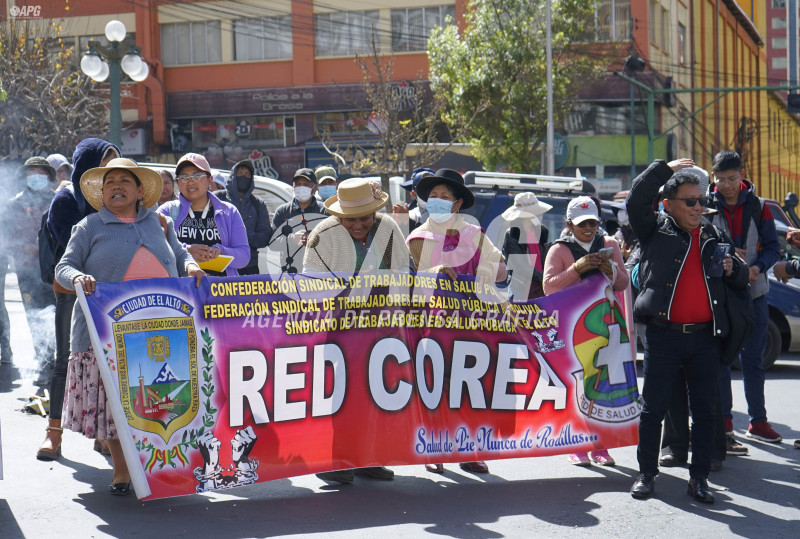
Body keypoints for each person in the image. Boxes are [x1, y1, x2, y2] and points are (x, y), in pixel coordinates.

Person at [56, 158, 204, 495]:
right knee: (116, 406)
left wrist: (192, 265)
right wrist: (78, 276)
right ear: (102, 193)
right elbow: (63, 267)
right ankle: (122, 470)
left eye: (125, 181)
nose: (117, 187)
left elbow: (181, 256)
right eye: (110, 183)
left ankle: (164, 468)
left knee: (160, 402)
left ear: (140, 191)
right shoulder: (89, 226)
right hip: (106, 333)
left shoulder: (159, 223)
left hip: (161, 332)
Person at [626, 158, 748, 504]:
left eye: (702, 201)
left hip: (705, 338)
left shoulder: (713, 232)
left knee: (706, 410)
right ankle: (647, 473)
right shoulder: (655, 230)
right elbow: (636, 200)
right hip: (664, 336)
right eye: (690, 201)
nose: (699, 207)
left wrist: (731, 268)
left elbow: (739, 277)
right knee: (652, 409)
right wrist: (662, 168)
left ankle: (699, 479)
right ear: (669, 204)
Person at [303, 177, 409, 484]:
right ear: (338, 216)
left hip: (381, 326)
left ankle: (368, 459)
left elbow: (406, 268)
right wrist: (346, 288)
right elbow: (310, 285)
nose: (359, 225)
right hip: (339, 329)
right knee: (341, 396)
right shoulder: (322, 235)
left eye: (365, 218)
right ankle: (336, 460)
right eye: (350, 220)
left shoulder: (388, 227)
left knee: (377, 393)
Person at [407, 168, 507, 474]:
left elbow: (502, 270)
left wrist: (486, 271)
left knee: (469, 388)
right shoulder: (416, 236)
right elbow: (410, 282)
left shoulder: (475, 235)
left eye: (444, 197)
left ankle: (469, 450)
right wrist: (432, 272)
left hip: (470, 325)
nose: (437, 201)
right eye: (433, 196)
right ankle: (434, 448)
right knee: (434, 386)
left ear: (457, 204)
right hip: (431, 326)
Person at [40, 138, 120, 461]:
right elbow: (77, 250)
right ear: (87, 165)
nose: (110, 172)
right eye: (104, 164)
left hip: (108, 295)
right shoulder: (65, 199)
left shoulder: (116, 198)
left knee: (107, 365)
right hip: (72, 292)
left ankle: (103, 436)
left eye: (115, 164)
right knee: (65, 362)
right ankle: (53, 432)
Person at [542, 195, 629, 467]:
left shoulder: (610, 244)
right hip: (571, 327)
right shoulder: (559, 249)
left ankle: (601, 446)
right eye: (581, 224)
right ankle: (577, 445)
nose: (588, 229)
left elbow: (623, 284)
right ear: (568, 224)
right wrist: (577, 268)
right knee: (577, 384)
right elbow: (549, 288)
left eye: (592, 222)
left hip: (606, 325)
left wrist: (610, 269)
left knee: (603, 385)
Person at [709, 150, 782, 445]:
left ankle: (758, 421)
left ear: (742, 175)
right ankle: (725, 420)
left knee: (753, 360)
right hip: (720, 294)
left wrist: (756, 268)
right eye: (720, 179)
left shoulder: (758, 206)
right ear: (713, 177)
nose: (726, 185)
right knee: (721, 361)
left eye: (732, 178)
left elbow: (774, 248)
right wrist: (723, 252)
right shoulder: (704, 205)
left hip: (755, 292)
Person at [158, 153, 250, 277]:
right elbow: (156, 252)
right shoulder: (166, 212)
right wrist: (187, 251)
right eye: (184, 177)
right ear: (178, 182)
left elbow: (244, 256)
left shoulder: (229, 212)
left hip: (221, 291)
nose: (191, 181)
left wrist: (220, 251)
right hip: (180, 291)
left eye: (197, 175)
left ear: (209, 180)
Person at [9, 157, 58, 384]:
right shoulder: (15, 204)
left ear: (48, 176)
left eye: (40, 171)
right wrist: (23, 247)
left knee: (57, 315)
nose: (36, 175)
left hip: (54, 270)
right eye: (32, 171)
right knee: (34, 316)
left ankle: (60, 364)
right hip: (26, 271)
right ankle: (43, 361)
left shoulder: (59, 201)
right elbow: (7, 238)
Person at [214, 159, 271, 275]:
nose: (243, 177)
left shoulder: (258, 204)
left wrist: (241, 236)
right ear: (232, 176)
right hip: (219, 265)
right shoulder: (217, 199)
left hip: (249, 267)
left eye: (247, 174)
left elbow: (265, 236)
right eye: (240, 173)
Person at [271, 168, 328, 274]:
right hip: (289, 273)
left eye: (306, 184)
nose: (301, 187)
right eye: (298, 184)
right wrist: (291, 239)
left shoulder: (324, 211)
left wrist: (314, 239)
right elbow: (273, 243)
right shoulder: (282, 211)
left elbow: (334, 241)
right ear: (293, 186)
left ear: (314, 188)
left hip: (318, 273)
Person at [502, 192, 552, 301]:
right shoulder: (512, 234)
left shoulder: (541, 232)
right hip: (521, 291)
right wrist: (545, 278)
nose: (539, 216)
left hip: (541, 289)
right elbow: (521, 266)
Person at [393, 167, 433, 233]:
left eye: (431, 190)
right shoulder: (411, 214)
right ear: (413, 194)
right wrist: (405, 223)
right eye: (422, 190)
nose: (427, 194)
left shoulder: (448, 213)